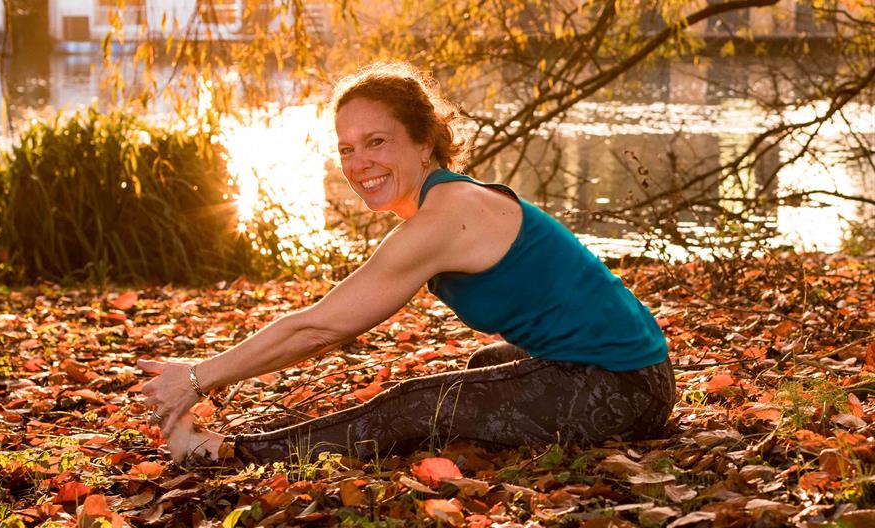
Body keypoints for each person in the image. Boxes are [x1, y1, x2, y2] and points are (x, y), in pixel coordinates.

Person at [139, 62, 676, 464]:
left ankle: (225, 452)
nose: (358, 163)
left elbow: (321, 328)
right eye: (346, 148)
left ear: (424, 144)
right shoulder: (445, 203)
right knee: (484, 367)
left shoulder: (445, 218)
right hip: (627, 372)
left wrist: (196, 377)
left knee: (415, 403)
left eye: (376, 141)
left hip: (623, 387)